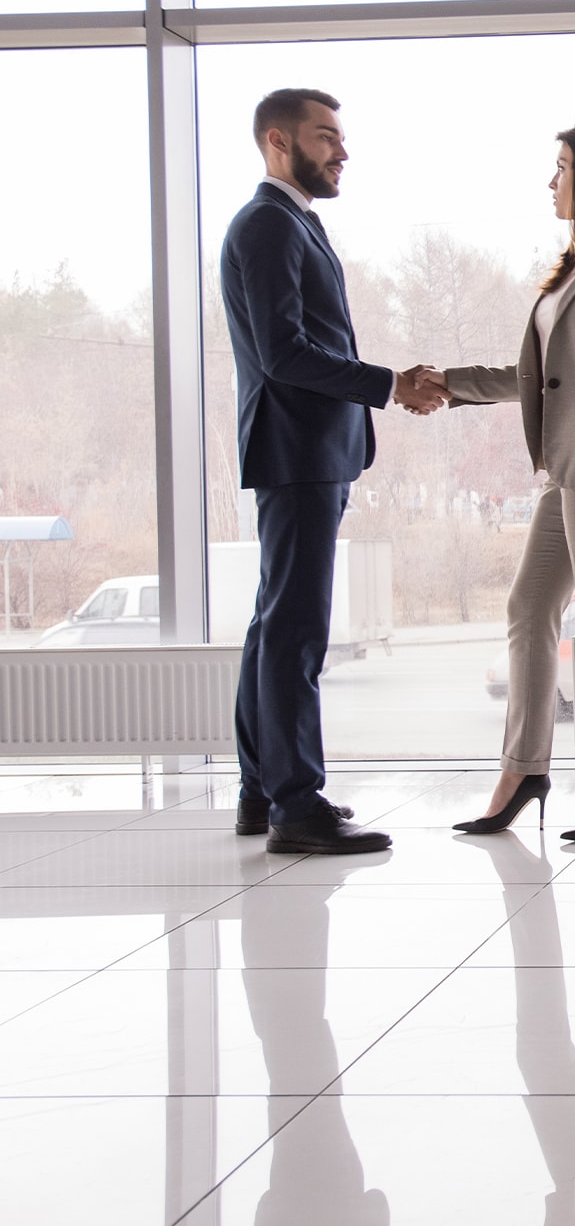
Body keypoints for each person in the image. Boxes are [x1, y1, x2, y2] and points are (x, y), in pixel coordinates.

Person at [421, 122, 575, 842]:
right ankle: (525, 766)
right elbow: (536, 378)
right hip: (568, 470)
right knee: (529, 607)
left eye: (562, 167)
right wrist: (449, 384)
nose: (551, 181)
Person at [221, 87, 445, 855]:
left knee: (274, 624)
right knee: (294, 629)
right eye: (326, 137)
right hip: (297, 451)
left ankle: (262, 790)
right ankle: (294, 802)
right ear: (279, 142)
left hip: (307, 452)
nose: (341, 151)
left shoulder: (289, 224)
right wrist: (388, 384)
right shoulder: (267, 225)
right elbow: (285, 353)